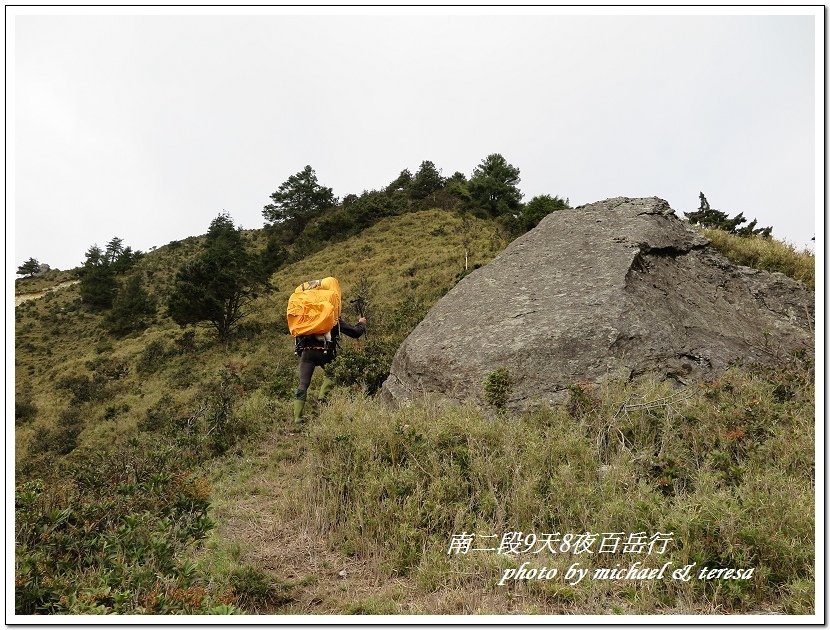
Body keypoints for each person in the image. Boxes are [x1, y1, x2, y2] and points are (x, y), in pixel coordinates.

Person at [293, 316, 367, 421]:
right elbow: (355, 333)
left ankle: (297, 417)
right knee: (333, 372)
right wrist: (361, 323)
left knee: (303, 383)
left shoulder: (304, 317)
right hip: (326, 353)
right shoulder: (331, 317)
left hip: (307, 354)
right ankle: (323, 396)